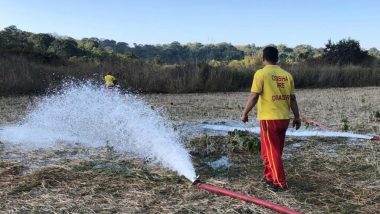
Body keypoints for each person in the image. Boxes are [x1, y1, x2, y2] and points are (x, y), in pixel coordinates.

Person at [241, 46, 301, 191]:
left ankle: (279, 183)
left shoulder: (261, 74)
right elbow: (292, 99)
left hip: (269, 119)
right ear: (277, 58)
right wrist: (297, 117)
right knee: (273, 151)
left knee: (271, 152)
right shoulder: (287, 75)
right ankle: (269, 176)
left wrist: (245, 113)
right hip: (284, 119)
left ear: (263, 58)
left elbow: (254, 96)